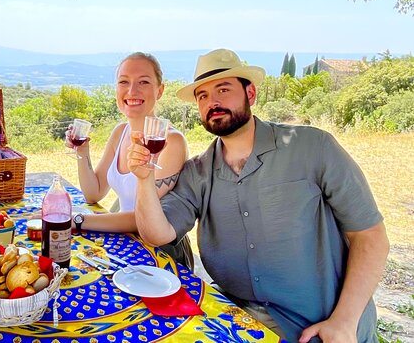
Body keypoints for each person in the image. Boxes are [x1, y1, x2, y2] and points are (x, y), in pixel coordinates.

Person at [127, 48, 389, 343]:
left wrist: (344, 321)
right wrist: (144, 179)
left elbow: (370, 236)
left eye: (223, 89)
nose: (212, 102)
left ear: (250, 94)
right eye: (202, 96)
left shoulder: (313, 148)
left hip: (326, 326)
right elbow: (157, 233)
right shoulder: (198, 172)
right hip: (240, 323)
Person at [64, 52, 194, 267]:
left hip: (162, 254)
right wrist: (82, 151)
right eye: (124, 82)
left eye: (143, 82)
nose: (132, 91)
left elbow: (141, 219)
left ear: (159, 90)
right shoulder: (120, 132)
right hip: (127, 243)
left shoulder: (171, 142)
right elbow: (93, 193)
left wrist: (76, 220)